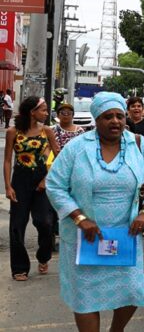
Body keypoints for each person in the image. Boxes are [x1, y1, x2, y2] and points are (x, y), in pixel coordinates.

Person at [45, 92, 144, 332]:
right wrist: (79, 218)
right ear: (96, 119)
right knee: (85, 296)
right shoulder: (77, 148)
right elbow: (55, 185)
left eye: (119, 116)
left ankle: (116, 330)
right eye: (107, 116)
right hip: (85, 237)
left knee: (132, 289)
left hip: (125, 235)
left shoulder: (138, 145)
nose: (115, 121)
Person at [4, 96, 59, 281]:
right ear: (32, 112)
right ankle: (19, 268)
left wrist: (46, 179)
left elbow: (58, 158)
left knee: (45, 222)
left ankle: (43, 256)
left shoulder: (47, 131)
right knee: (17, 226)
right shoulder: (13, 132)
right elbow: (7, 161)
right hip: (20, 179)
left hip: (42, 180)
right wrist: (8, 186)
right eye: (43, 109)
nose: (46, 113)